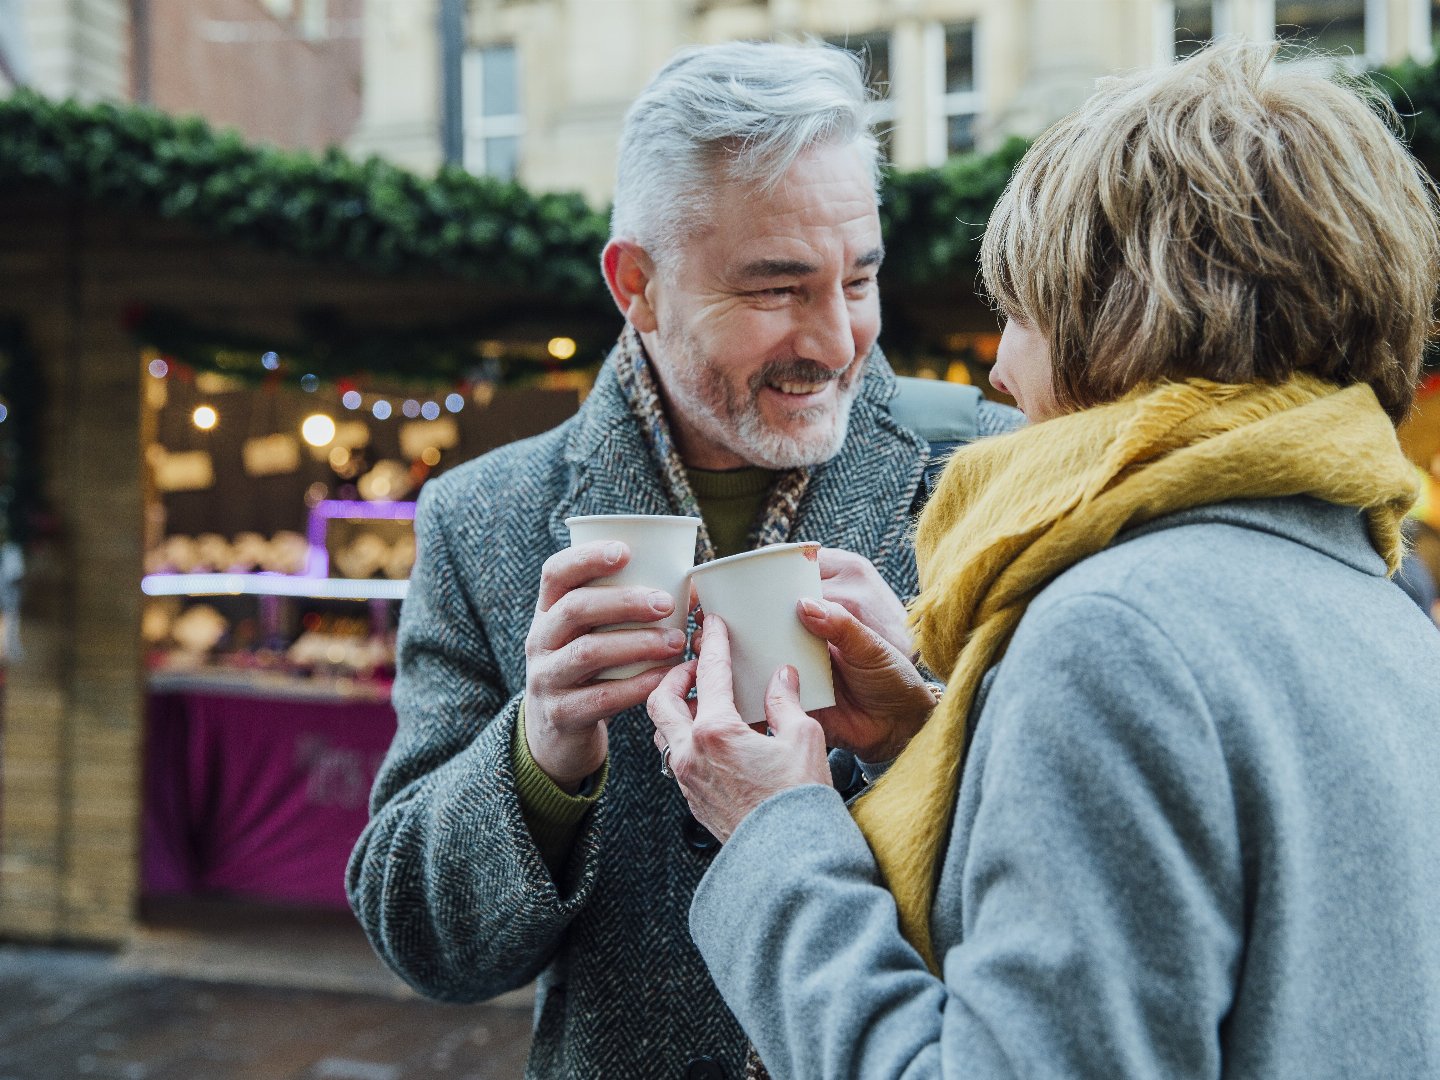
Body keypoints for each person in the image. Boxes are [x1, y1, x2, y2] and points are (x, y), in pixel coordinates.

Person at [650, 41, 1440, 1079]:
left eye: (1020, 309)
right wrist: (929, 741)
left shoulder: (1115, 633)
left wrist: (773, 834)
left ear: (1113, 320)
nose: (998, 363)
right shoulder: (1382, 611)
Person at [345, 39, 1022, 1080]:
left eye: (862, 276)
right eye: (778, 288)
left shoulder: (986, 474)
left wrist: (910, 744)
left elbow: (1067, 878)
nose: (838, 338)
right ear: (639, 286)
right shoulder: (486, 515)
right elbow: (421, 943)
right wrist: (539, 752)